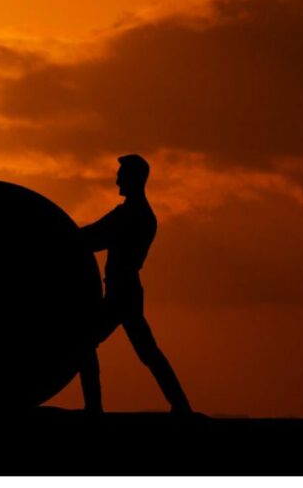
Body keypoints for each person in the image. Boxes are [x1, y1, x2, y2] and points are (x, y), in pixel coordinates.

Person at [79, 154, 192, 415]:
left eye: (121, 175)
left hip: (121, 292)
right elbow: (95, 237)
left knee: (85, 342)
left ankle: (94, 408)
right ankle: (181, 406)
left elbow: (93, 237)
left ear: (133, 178)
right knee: (148, 351)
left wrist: (61, 233)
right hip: (127, 290)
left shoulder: (129, 215)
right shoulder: (143, 214)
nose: (117, 180)